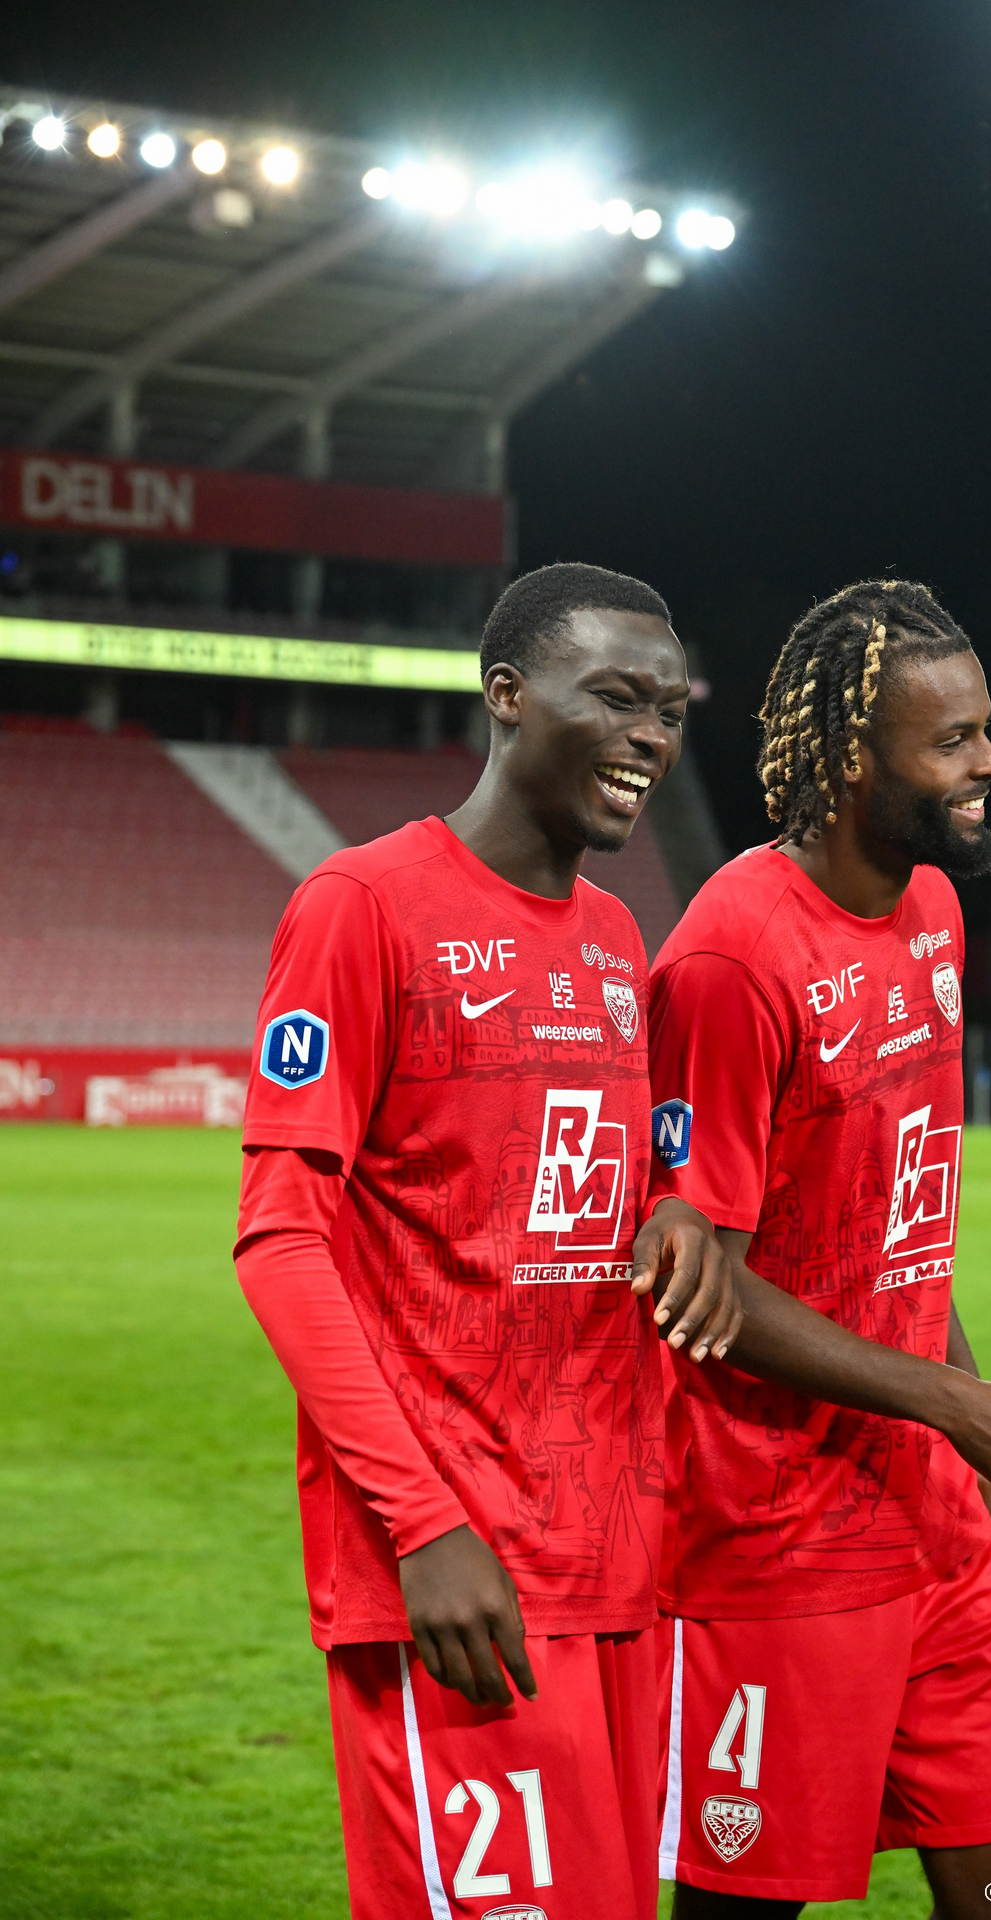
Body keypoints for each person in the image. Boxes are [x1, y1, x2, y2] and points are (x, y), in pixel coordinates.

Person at [233, 562, 741, 1920]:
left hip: (615, 1565)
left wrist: (676, 1209)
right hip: (460, 1576)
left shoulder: (617, 937)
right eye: (616, 697)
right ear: (507, 695)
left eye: (670, 710)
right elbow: (280, 1241)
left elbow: (602, 1199)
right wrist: (424, 1528)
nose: (650, 735)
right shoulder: (362, 905)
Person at [646, 579, 991, 1919]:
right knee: (748, 1902)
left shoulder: (933, 912)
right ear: (853, 758)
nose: (990, 762)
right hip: (775, 1533)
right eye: (952, 740)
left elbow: (899, 1215)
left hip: (929, 1513)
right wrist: (957, 1404)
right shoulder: (732, 958)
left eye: (984, 729)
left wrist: (959, 1407)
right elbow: (702, 1292)